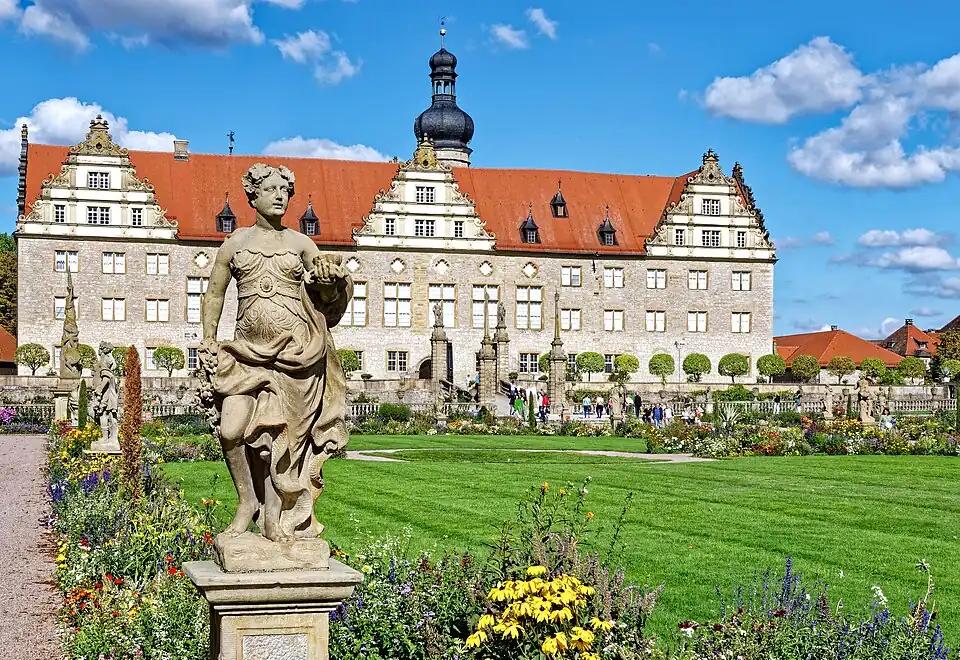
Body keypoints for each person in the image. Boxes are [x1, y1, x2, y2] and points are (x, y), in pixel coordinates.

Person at [198, 162, 352, 542]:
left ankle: (272, 516)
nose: (281, 196)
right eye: (272, 189)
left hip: (296, 357)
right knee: (231, 428)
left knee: (280, 442)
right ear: (254, 195)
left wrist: (331, 281)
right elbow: (215, 292)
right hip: (246, 352)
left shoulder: (301, 244)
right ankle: (246, 501)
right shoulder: (235, 244)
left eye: (285, 190)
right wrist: (208, 338)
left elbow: (324, 295)